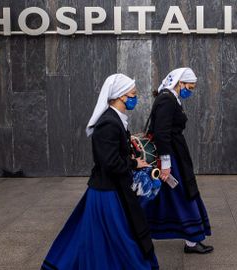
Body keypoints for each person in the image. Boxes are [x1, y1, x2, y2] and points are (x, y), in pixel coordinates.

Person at [42, 74, 159, 270]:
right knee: (119, 236)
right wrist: (133, 164)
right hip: (107, 192)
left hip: (110, 189)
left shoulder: (116, 120)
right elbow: (110, 163)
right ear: (121, 96)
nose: (135, 98)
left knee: (100, 236)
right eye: (133, 94)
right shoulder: (108, 123)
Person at [144, 67, 213, 254]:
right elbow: (161, 133)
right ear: (179, 83)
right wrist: (166, 164)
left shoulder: (170, 97)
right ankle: (191, 239)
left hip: (173, 153)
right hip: (171, 156)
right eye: (189, 87)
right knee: (182, 194)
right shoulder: (167, 99)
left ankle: (143, 233)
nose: (189, 91)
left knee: (163, 196)